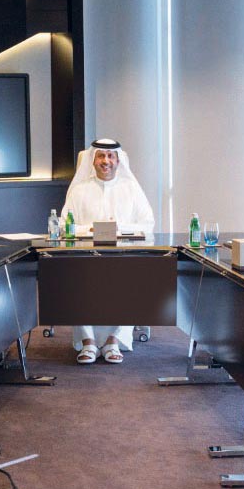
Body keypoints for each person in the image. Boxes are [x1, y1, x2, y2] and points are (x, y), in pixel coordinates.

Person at [61, 139, 156, 364]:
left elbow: (148, 224)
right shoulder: (79, 191)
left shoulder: (131, 189)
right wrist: (91, 229)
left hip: (124, 257)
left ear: (118, 160)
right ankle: (88, 342)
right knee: (75, 280)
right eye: (101, 156)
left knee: (132, 281)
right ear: (92, 160)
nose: (106, 161)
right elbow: (65, 226)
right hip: (85, 258)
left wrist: (118, 229)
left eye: (111, 156)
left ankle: (114, 340)